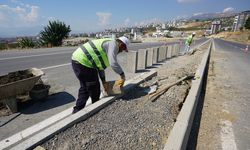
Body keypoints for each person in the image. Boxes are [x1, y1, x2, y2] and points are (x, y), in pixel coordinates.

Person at [71, 36, 129, 114]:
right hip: (83, 62)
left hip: (79, 61)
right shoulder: (113, 44)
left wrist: (103, 81)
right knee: (93, 87)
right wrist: (122, 75)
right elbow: (113, 63)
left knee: (85, 87)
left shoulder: (109, 45)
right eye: (122, 49)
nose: (121, 51)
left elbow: (100, 67)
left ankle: (77, 111)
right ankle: (95, 107)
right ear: (122, 45)